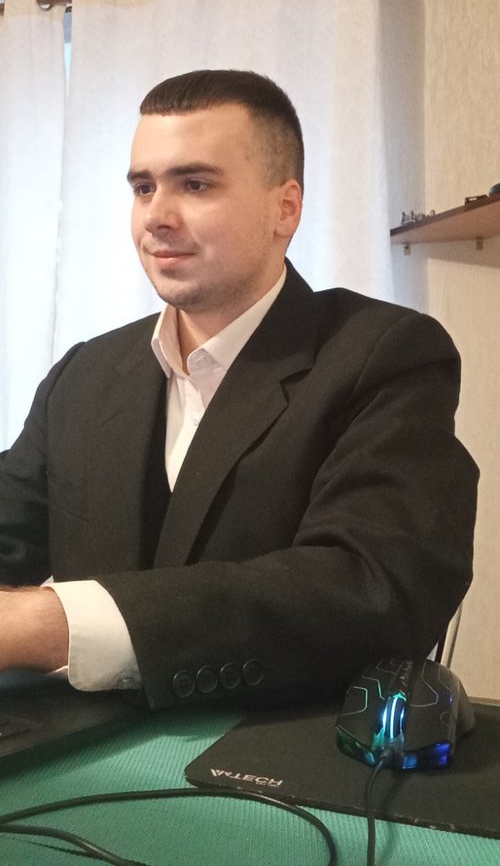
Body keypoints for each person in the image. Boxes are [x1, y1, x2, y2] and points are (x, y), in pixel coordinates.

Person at [0, 69, 478, 710]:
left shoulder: (385, 354)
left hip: (274, 755)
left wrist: (49, 623)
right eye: (143, 187)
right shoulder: (84, 374)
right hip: (70, 747)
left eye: (195, 185)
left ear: (286, 208)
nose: (156, 217)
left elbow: (375, 588)